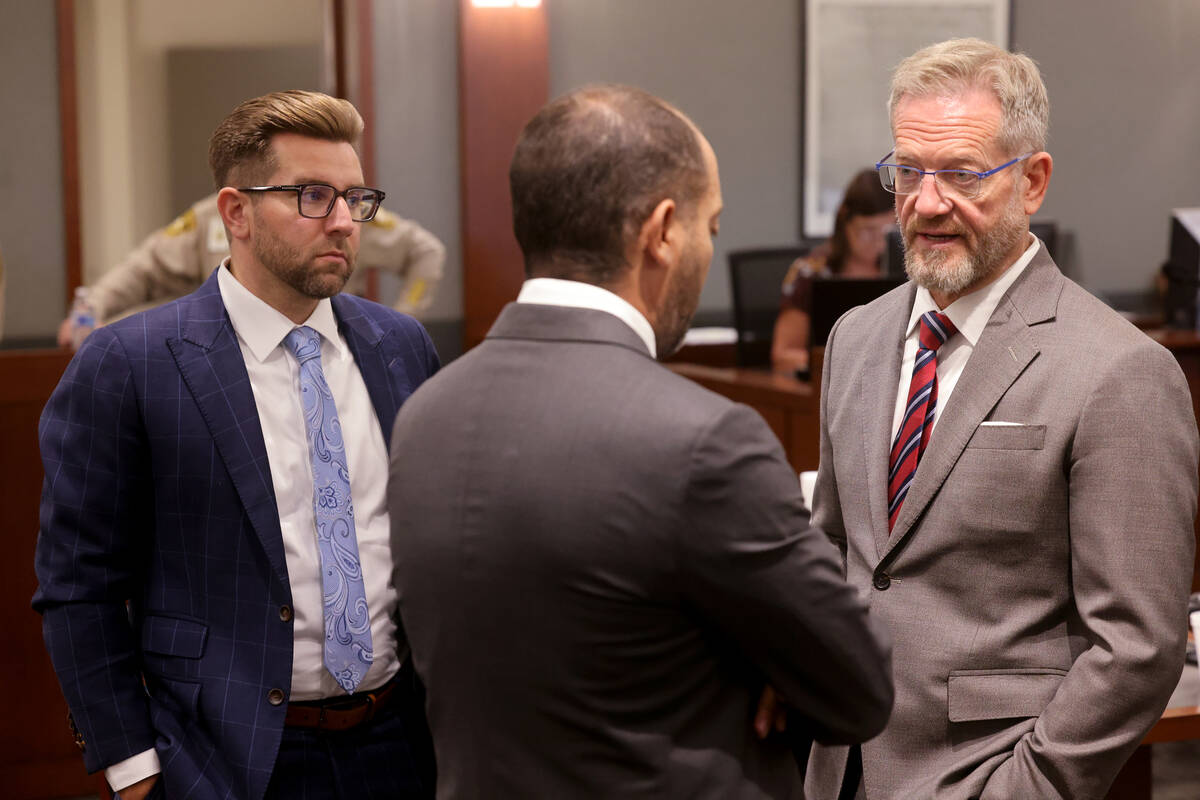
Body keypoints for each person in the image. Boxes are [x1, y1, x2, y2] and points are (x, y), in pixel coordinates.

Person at [386, 84, 893, 799]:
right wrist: (762, 669)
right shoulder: (705, 441)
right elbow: (858, 690)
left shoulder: (423, 415)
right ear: (661, 231)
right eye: (710, 225)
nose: (710, 248)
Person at [805, 38, 1199, 800]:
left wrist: (1026, 787)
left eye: (960, 174)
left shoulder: (1119, 371)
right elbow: (834, 554)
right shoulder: (854, 338)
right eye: (908, 171)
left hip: (989, 775)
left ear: (1032, 181)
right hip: (839, 770)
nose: (926, 203)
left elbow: (1138, 646)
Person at [34, 90, 440, 800]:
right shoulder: (130, 365)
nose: (344, 223)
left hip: (398, 743)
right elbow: (78, 586)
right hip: (229, 762)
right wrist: (134, 771)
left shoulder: (399, 346)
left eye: (355, 198)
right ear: (236, 213)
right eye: (313, 196)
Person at [56, 190, 445, 347]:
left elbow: (426, 252)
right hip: (227, 355)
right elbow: (144, 266)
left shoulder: (344, 212)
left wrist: (403, 318)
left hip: (329, 346)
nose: (339, 221)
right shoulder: (213, 216)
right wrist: (91, 310)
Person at [771, 168, 894, 373]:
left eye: (887, 232)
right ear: (845, 222)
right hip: (824, 387)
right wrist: (844, 366)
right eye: (868, 231)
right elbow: (783, 355)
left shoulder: (900, 271)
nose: (879, 244)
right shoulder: (811, 272)